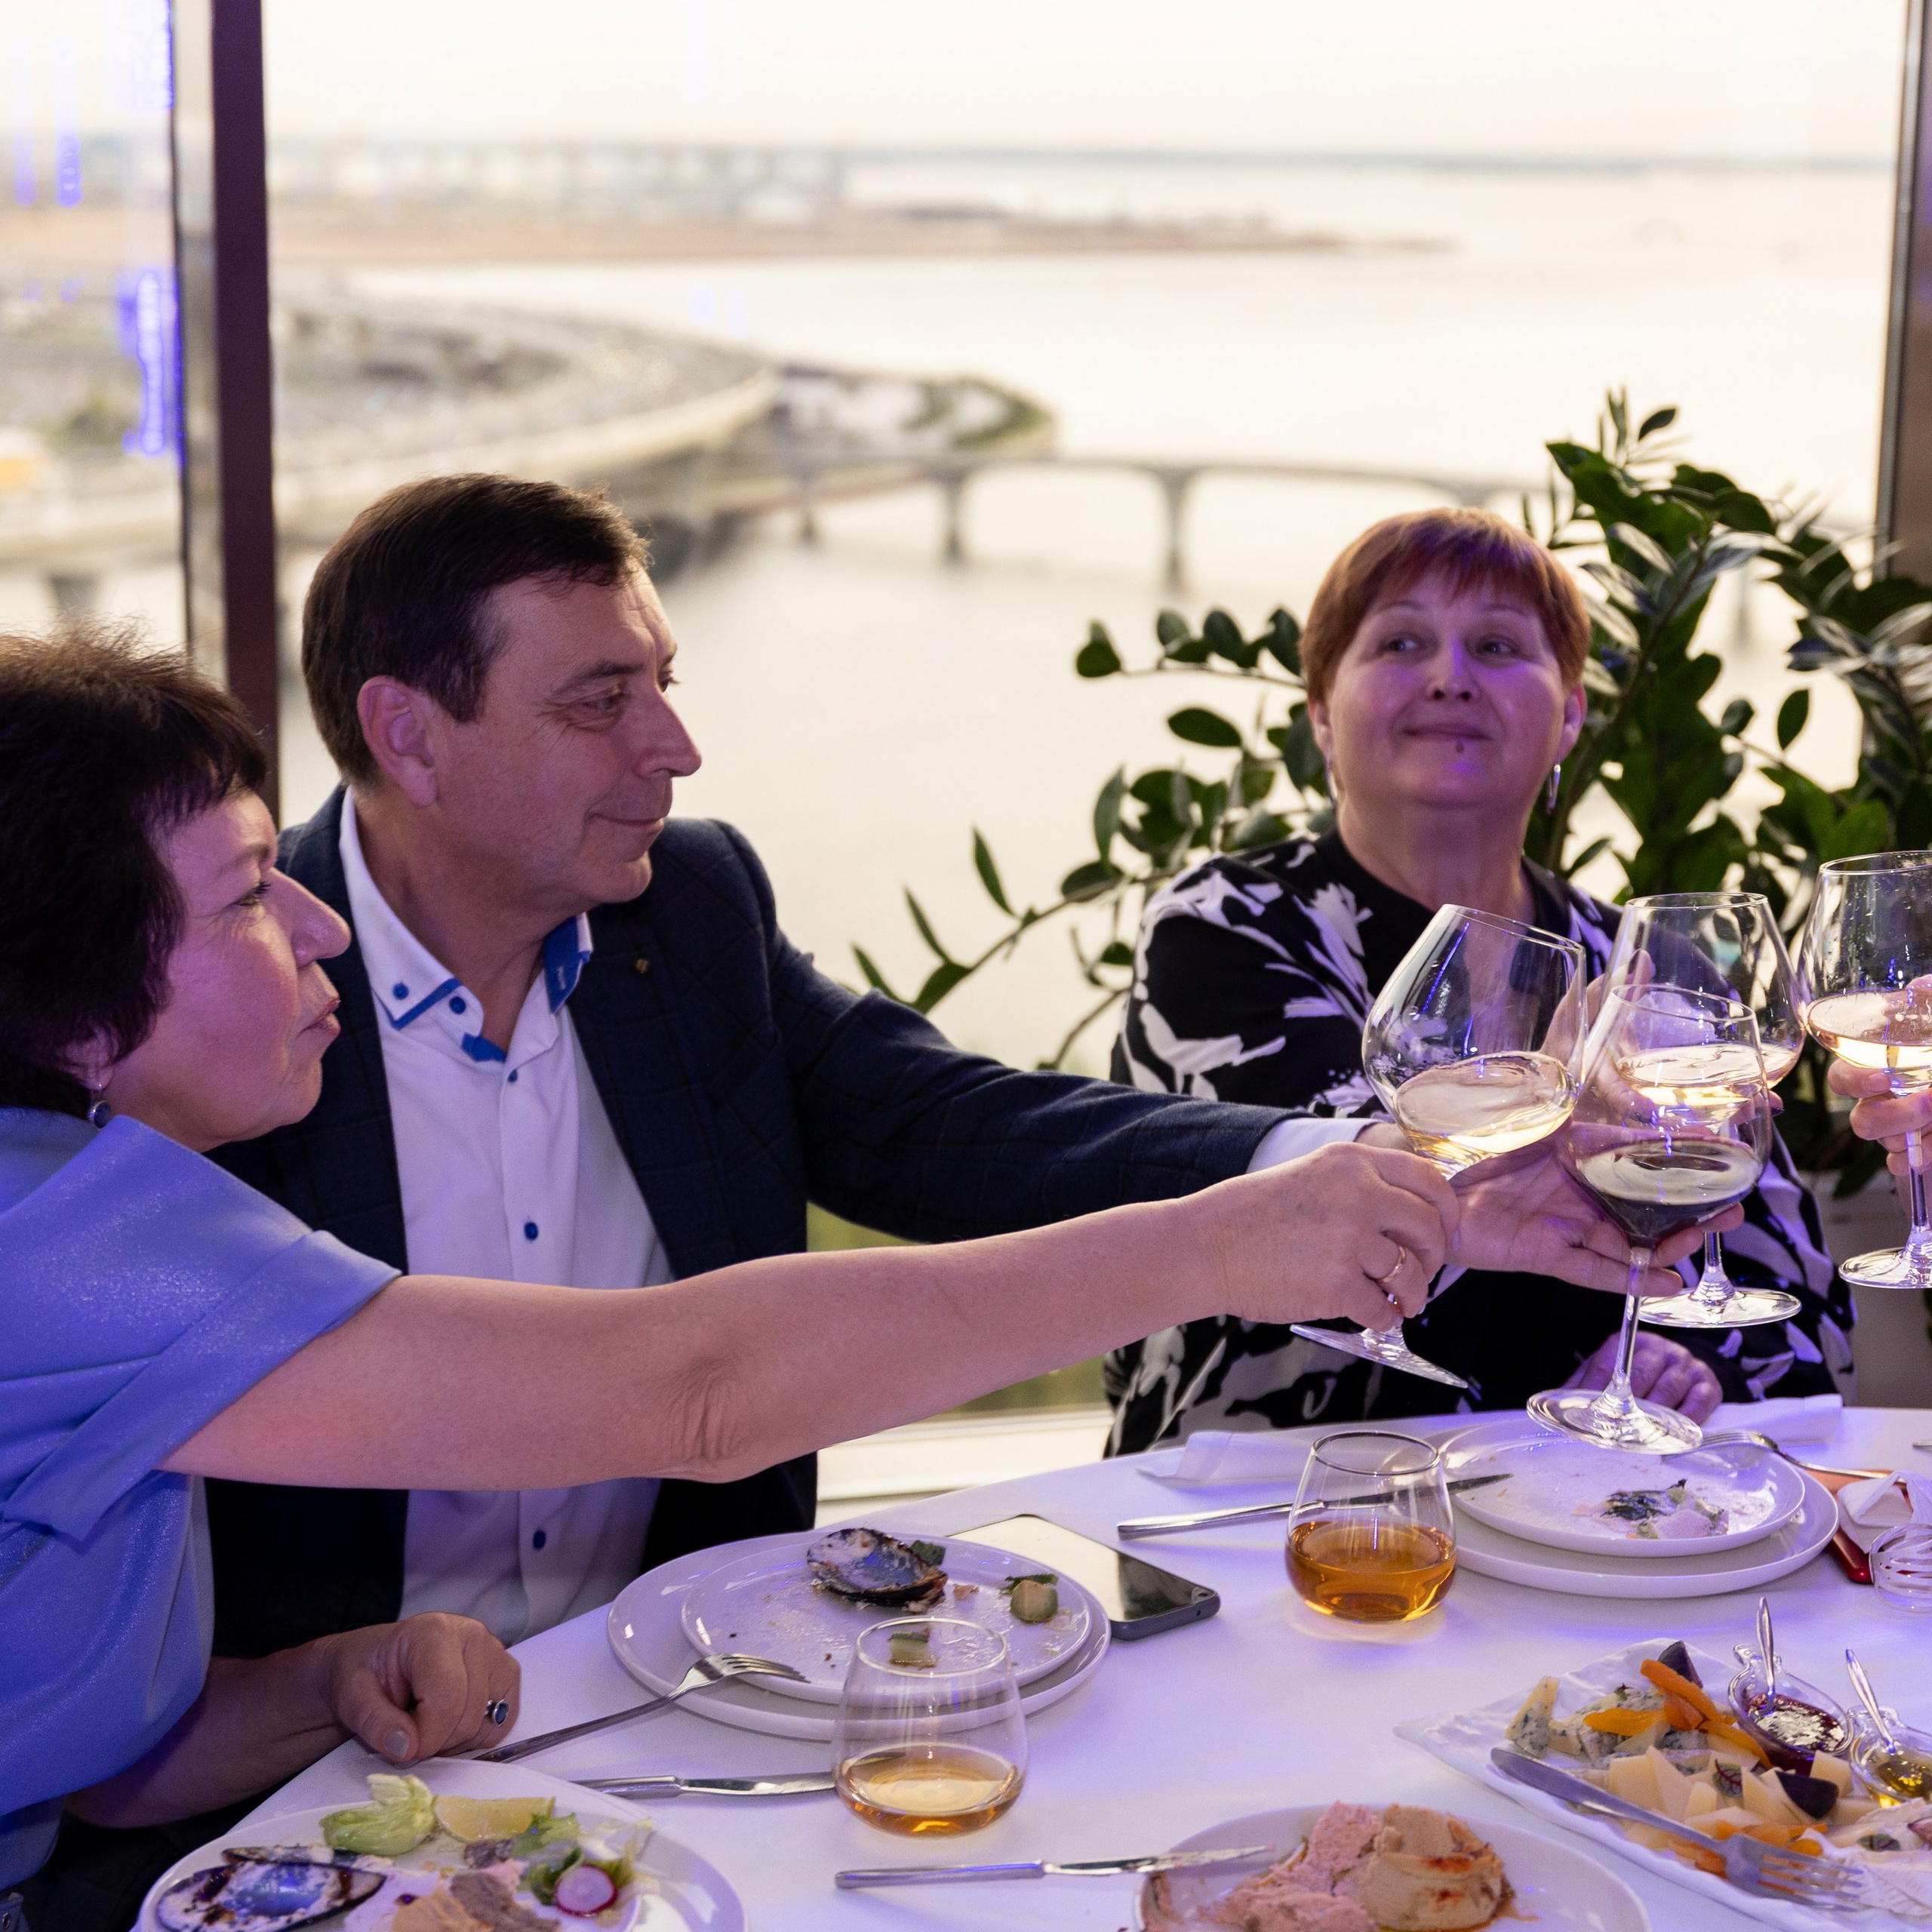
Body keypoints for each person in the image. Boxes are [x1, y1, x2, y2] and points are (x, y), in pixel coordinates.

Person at [0, 623, 1710, 1909]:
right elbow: (693, 1384)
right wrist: (1219, 1241)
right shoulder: (68, 1233)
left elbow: (55, 1732)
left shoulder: (79, 1175)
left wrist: (294, 1688)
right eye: (237, 894)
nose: (298, 923)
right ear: (64, 978)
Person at [1106, 506, 1848, 1454]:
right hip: (1261, 1509)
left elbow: (1795, 1293)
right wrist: (1602, 1302)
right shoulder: (1223, 926)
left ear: (1570, 714)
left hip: (1592, 1531)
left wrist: (1673, 1358)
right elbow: (1334, 1219)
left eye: (1497, 645)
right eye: (1401, 641)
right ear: (1322, 717)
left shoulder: (1648, 965)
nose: (1450, 678)